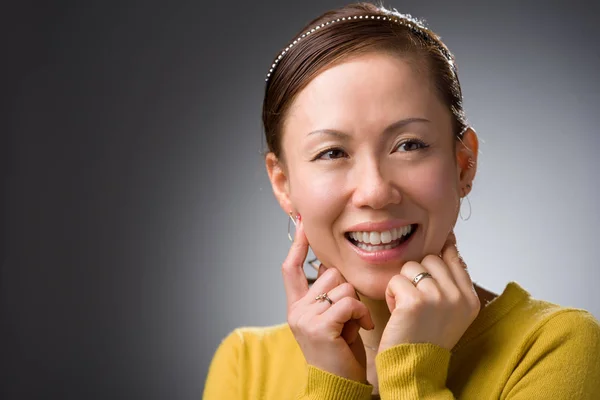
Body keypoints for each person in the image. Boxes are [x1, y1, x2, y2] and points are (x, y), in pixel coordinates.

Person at [203, 2, 600, 399]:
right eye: (332, 153)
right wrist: (333, 382)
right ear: (283, 184)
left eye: (408, 145)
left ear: (463, 164)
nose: (375, 192)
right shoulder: (245, 365)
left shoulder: (554, 347)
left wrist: (411, 370)